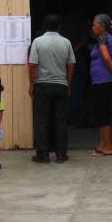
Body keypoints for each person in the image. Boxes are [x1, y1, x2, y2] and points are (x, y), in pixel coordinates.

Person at [28, 13, 76, 164]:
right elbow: (71, 65)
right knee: (60, 120)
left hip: (42, 85)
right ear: (59, 27)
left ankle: (43, 154)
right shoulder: (66, 42)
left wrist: (32, 84)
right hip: (61, 85)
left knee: (42, 120)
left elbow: (32, 65)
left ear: (44, 26)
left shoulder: (38, 42)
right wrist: (69, 84)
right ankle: (61, 154)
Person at [89, 13, 112, 156]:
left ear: (102, 27)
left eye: (94, 24)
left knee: (101, 113)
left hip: (103, 81)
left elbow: (107, 58)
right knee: (100, 113)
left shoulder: (103, 38)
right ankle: (102, 145)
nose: (93, 27)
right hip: (106, 81)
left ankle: (108, 146)